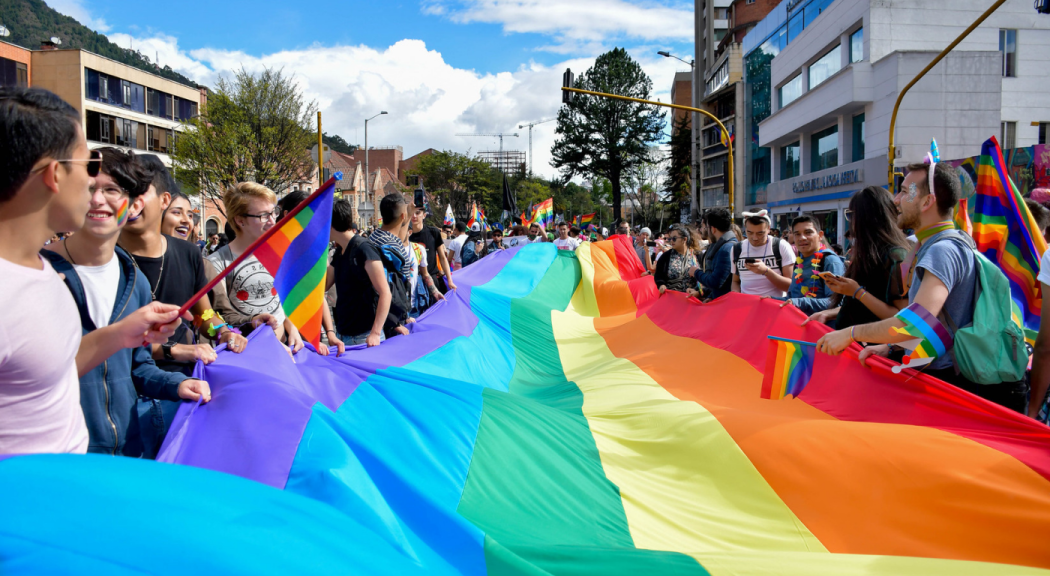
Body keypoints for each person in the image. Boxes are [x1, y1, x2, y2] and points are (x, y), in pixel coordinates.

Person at [0, 86, 185, 454]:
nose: (95, 190)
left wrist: (120, 335)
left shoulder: (38, 272)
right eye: (89, 167)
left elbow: (52, 376)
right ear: (55, 175)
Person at [816, 162, 1027, 413]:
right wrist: (891, 345)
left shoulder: (942, 250)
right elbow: (940, 322)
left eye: (905, 192)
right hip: (952, 379)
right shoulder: (940, 244)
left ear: (927, 202)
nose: (896, 200)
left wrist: (850, 334)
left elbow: (916, 322)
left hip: (956, 386)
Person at [42, 147, 210, 456]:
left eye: (111, 190)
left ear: (132, 205)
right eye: (88, 188)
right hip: (59, 456)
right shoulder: (40, 273)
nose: (98, 199)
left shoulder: (134, 282)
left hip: (128, 452)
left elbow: (139, 365)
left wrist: (176, 385)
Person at [119, 155, 248, 376]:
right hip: (124, 379)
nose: (132, 201)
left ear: (162, 200)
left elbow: (203, 316)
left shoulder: (189, 254)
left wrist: (223, 332)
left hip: (182, 379)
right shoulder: (106, 256)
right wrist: (176, 350)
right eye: (123, 192)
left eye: (139, 191)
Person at [205, 182, 304, 351]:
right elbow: (217, 317)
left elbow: (282, 301)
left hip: (287, 349)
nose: (273, 220)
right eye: (263, 215)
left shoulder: (280, 253)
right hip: (248, 356)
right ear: (240, 220)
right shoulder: (217, 263)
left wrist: (291, 325)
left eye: (274, 212)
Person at [803, 187, 909, 330]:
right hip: (850, 344)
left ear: (867, 217)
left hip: (871, 348)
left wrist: (857, 292)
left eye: (852, 215)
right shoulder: (867, 253)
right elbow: (862, 306)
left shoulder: (896, 256)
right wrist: (829, 313)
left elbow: (902, 317)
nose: (850, 222)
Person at [328, 196, 391, 347]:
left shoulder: (363, 249)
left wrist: (375, 333)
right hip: (343, 335)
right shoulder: (339, 252)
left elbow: (385, 292)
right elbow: (321, 287)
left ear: (329, 225)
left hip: (365, 337)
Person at [779, 215, 845, 314]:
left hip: (823, 327)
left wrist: (800, 302)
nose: (802, 238)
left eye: (808, 232)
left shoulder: (830, 261)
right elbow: (792, 298)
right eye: (797, 234)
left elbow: (836, 302)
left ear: (820, 235)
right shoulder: (799, 261)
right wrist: (772, 299)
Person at [368, 193, 413, 337]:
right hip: (392, 322)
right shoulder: (392, 247)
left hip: (381, 316)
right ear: (402, 216)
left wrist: (409, 215)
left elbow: (396, 239)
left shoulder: (374, 237)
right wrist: (397, 322)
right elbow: (394, 288)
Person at [732, 210, 794, 297]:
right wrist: (736, 296)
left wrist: (766, 271)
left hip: (774, 306)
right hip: (746, 306)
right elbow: (735, 281)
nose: (755, 238)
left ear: (768, 229)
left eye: (760, 233)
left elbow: (790, 286)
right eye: (749, 232)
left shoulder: (781, 246)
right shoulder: (737, 248)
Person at [689, 208, 738, 300]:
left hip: (724, 305)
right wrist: (706, 294)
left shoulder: (726, 249)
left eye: (706, 228)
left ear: (713, 229)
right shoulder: (723, 246)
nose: (704, 230)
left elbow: (715, 282)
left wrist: (695, 272)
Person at [409, 202, 456, 293]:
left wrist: (450, 280)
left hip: (432, 280)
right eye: (412, 213)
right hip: (412, 281)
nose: (414, 216)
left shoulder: (433, 232)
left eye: (418, 213)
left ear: (424, 215)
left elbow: (443, 258)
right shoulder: (405, 234)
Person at [655, 224, 700, 296]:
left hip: (691, 298)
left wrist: (698, 291)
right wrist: (661, 284)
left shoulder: (696, 256)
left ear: (684, 239)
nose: (671, 241)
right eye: (670, 238)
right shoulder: (666, 256)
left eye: (674, 238)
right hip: (672, 298)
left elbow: (703, 278)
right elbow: (658, 275)